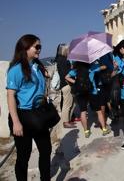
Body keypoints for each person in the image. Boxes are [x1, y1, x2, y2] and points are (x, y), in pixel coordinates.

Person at [7, 34, 51, 181]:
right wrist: (16, 122)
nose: (39, 49)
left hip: (39, 115)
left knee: (46, 150)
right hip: (23, 116)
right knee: (23, 156)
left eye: (40, 46)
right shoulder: (16, 70)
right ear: (25, 48)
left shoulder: (37, 66)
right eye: (36, 46)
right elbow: (10, 96)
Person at [65, 61, 110, 138]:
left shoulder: (75, 70)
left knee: (83, 111)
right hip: (92, 91)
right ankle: (104, 129)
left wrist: (76, 82)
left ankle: (86, 131)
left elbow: (66, 77)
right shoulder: (91, 68)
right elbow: (104, 67)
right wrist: (99, 64)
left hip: (80, 92)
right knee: (99, 111)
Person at [54, 44, 76, 128]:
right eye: (68, 49)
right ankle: (65, 122)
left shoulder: (61, 59)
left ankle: (68, 120)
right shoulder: (62, 60)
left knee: (69, 104)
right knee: (67, 105)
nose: (69, 51)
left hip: (65, 84)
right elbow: (64, 74)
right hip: (66, 84)